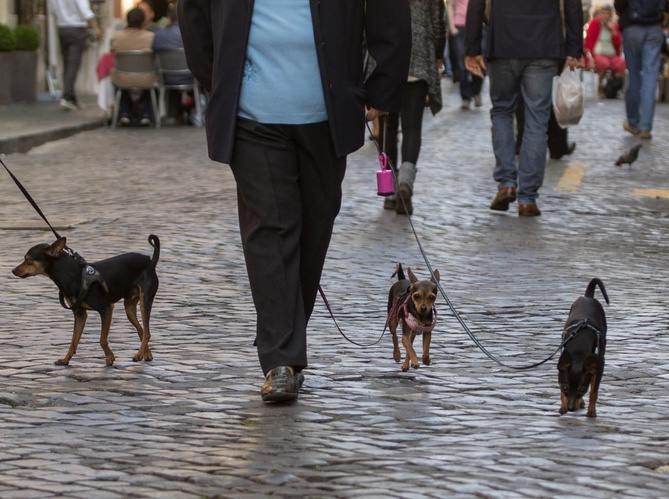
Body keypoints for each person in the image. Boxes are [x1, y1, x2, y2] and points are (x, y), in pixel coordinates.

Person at [178, 0, 411, 403]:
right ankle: (280, 361)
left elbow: (390, 13)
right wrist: (218, 83)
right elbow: (194, 14)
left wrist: (383, 89)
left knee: (313, 230)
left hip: (327, 116)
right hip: (252, 116)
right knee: (270, 229)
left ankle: (287, 338)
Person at [464, 1, 583, 217]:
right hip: (544, 42)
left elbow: (477, 4)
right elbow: (573, 5)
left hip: (502, 41)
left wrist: (472, 47)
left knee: (501, 111)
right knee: (537, 120)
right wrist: (574, 48)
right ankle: (527, 198)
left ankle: (506, 183)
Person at [381, 0, 446, 215]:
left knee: (388, 127)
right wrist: (437, 57)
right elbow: (438, 21)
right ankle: (405, 183)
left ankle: (389, 190)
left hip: (386, 54)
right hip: (418, 54)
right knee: (412, 127)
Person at [615, 0, 669, 140]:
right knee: (650, 78)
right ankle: (646, 126)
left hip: (632, 29)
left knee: (634, 76)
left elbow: (619, 5)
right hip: (654, 29)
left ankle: (633, 122)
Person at [47, 0, 102, 111]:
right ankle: (67, 97)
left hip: (62, 27)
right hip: (77, 28)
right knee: (73, 64)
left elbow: (52, 10)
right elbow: (85, 11)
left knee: (67, 63)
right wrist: (96, 28)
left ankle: (71, 97)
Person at [152, 1, 197, 125]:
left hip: (167, 76)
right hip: (189, 76)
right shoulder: (192, 33)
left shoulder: (159, 35)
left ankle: (173, 114)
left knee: (174, 77)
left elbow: (154, 51)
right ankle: (196, 111)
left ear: (169, 17)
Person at [110, 8, 156, 126]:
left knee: (118, 76)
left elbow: (112, 51)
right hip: (146, 79)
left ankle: (123, 112)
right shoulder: (150, 37)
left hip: (123, 79)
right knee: (151, 78)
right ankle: (147, 113)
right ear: (143, 21)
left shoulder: (117, 36)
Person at [447, 0, 483, 110]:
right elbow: (450, 5)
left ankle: (476, 91)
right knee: (461, 65)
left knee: (478, 62)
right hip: (460, 27)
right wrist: (452, 27)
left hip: (477, 27)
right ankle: (466, 97)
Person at [585, 5, 626, 97]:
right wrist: (591, 56)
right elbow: (589, 41)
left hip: (611, 54)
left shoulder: (614, 25)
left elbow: (617, 44)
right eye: (604, 13)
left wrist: (613, 32)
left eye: (608, 14)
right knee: (604, 63)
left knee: (621, 64)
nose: (606, 16)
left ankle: (613, 87)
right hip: (598, 54)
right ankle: (600, 87)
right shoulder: (594, 23)